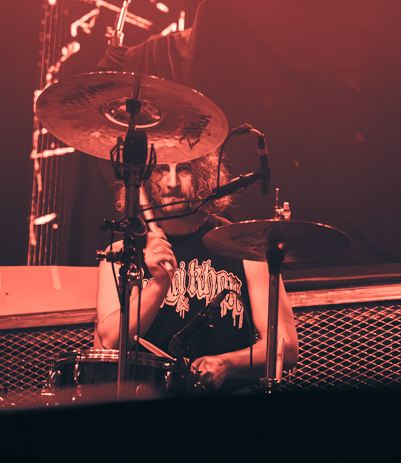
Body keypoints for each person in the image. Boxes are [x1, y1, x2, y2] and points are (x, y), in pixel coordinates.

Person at [95, 152, 298, 392]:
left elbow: (286, 348)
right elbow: (109, 342)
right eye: (161, 169)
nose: (172, 183)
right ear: (146, 180)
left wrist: (225, 364)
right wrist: (158, 285)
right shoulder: (121, 255)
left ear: (204, 175)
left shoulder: (246, 248)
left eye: (184, 169)